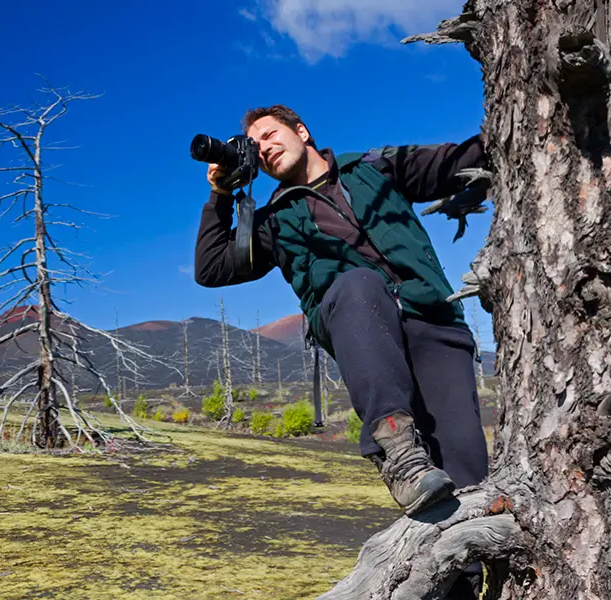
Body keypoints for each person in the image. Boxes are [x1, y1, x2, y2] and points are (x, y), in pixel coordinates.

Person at [194, 104, 489, 516]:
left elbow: (458, 162)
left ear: (302, 130)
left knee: (468, 475)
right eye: (254, 147)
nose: (263, 148)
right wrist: (222, 195)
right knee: (357, 282)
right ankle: (396, 450)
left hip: (434, 324)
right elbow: (210, 269)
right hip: (361, 331)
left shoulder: (372, 168)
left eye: (269, 135)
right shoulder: (272, 224)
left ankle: (472, 578)